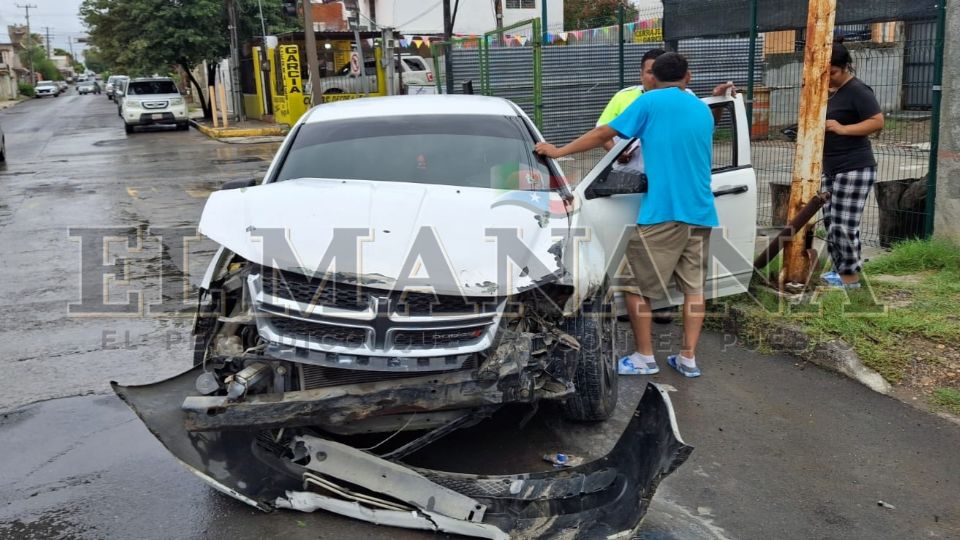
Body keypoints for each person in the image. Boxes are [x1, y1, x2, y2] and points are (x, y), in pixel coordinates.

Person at [535, 52, 716, 378]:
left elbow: (603, 134)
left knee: (633, 287)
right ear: (687, 77)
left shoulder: (649, 103)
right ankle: (688, 358)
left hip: (664, 213)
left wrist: (557, 151)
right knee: (694, 290)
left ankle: (644, 357)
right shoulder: (702, 109)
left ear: (652, 78)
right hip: (702, 212)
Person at [819, 42, 884, 289]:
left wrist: (843, 129)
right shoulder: (832, 92)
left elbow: (877, 121)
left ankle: (851, 280)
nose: (830, 78)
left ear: (846, 67)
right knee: (831, 221)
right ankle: (841, 271)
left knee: (844, 224)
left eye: (833, 72)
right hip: (832, 167)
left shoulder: (858, 90)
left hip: (854, 167)